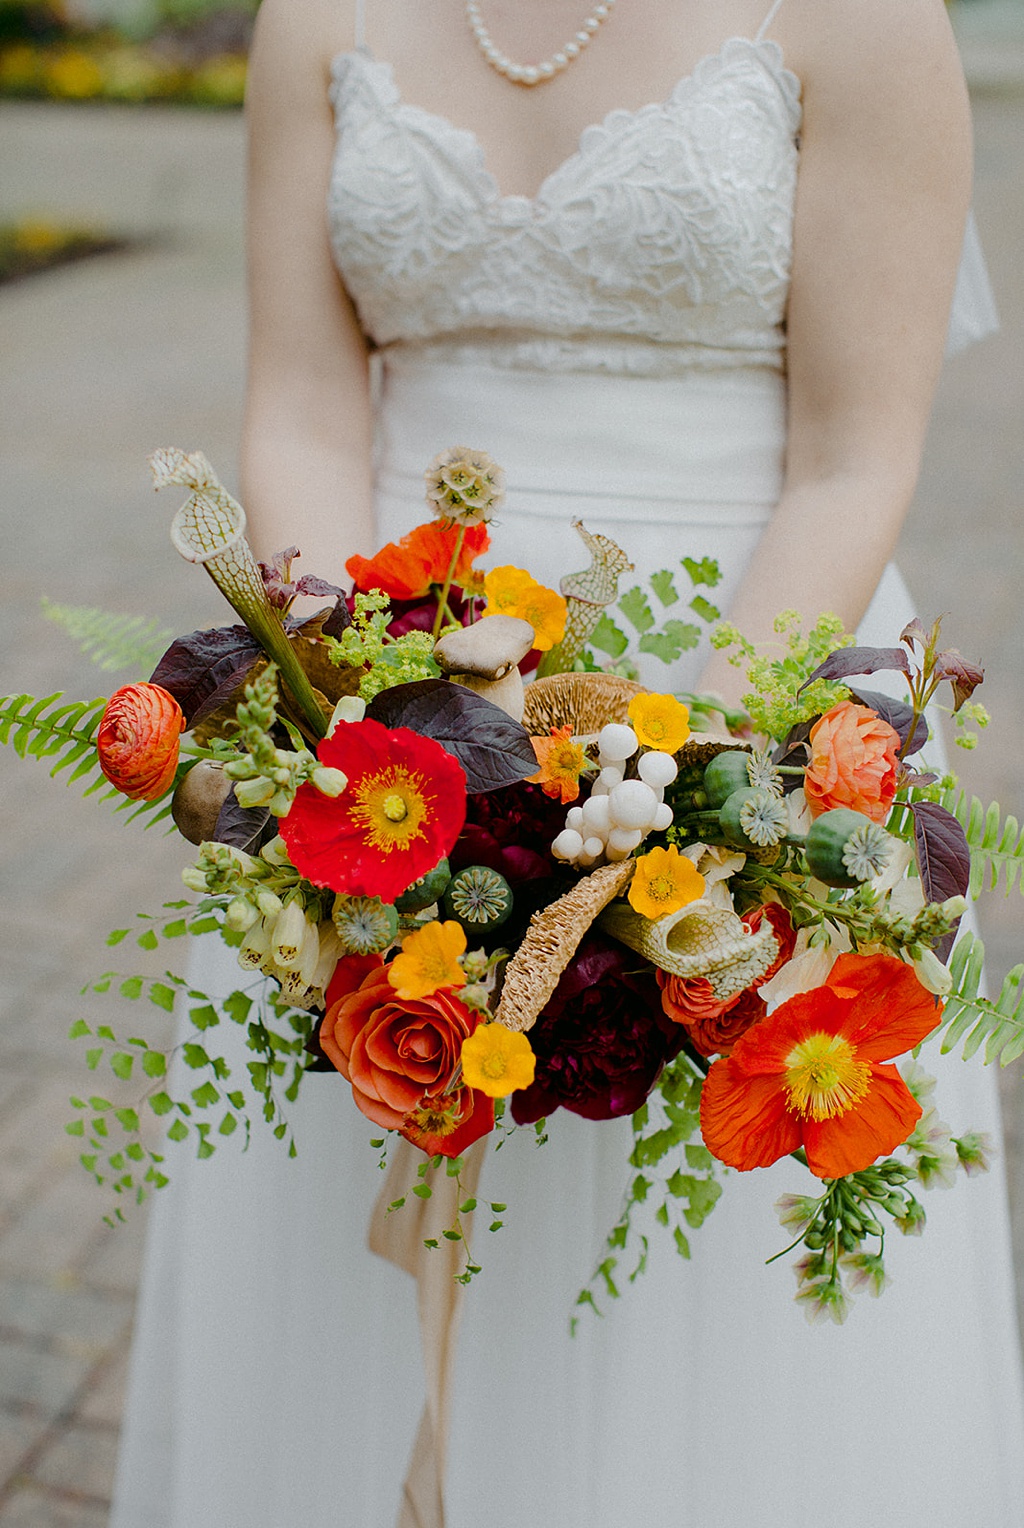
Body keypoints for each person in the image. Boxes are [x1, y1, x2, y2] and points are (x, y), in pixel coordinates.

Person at [110, 2, 1024, 1525]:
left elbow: (855, 453)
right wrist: (349, 705)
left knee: (710, 1338)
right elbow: (308, 401)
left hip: (741, 709)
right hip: (390, 750)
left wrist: (675, 796)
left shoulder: (860, 16)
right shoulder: (314, 14)